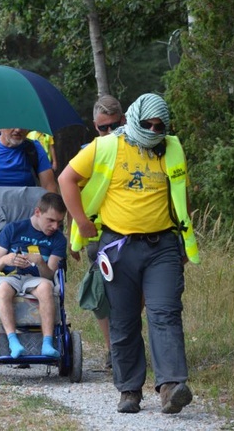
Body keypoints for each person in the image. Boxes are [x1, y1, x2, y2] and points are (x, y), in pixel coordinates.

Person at [59, 93, 199, 414]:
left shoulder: (172, 148)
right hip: (118, 247)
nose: (152, 130)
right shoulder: (107, 146)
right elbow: (67, 179)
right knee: (123, 319)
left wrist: (185, 237)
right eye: (146, 124)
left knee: (165, 313)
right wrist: (81, 222)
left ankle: (171, 386)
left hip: (162, 246)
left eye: (159, 125)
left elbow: (181, 194)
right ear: (133, 120)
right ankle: (129, 390)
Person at [77, 94, 126, 369]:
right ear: (94, 126)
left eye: (113, 126)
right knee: (100, 295)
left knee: (129, 295)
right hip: (97, 235)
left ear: (123, 121)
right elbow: (74, 190)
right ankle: (112, 349)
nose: (108, 132)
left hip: (128, 232)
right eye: (102, 128)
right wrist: (78, 233)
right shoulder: (89, 151)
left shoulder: (137, 147)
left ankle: (123, 341)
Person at [0, 192, 67, 358]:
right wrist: (6, 260)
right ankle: (13, 340)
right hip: (10, 277)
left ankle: (47, 342)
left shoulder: (58, 239)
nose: (54, 226)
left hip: (36, 279)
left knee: (46, 288)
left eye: (59, 222)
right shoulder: (13, 229)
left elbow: (50, 275)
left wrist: (40, 262)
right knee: (3, 289)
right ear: (37, 212)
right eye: (50, 220)